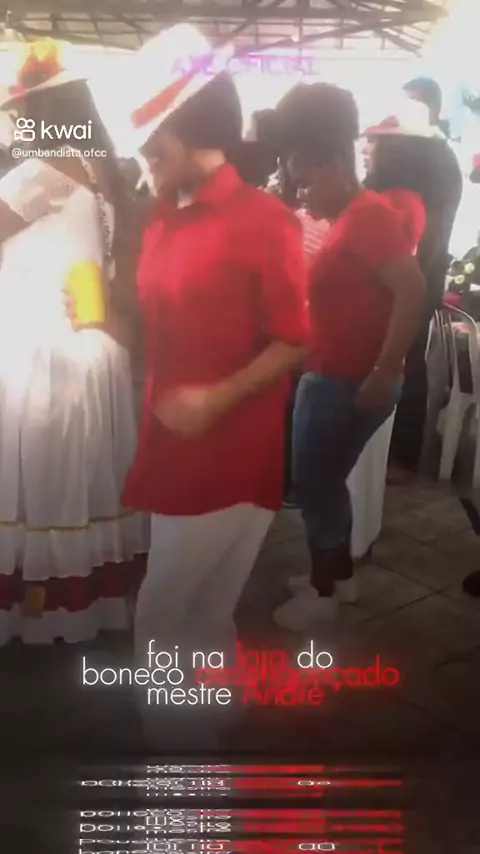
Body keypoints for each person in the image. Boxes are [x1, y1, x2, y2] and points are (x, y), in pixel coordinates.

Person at [121, 26, 308, 699]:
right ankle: (206, 725)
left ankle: (174, 742)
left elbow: (296, 339)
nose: (144, 151)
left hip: (228, 448)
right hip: (170, 437)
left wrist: (215, 399)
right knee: (201, 613)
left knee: (164, 612)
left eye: (154, 137)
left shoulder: (265, 220)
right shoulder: (160, 212)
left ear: (197, 128)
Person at [0, 39, 149, 644]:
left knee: (38, 482)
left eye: (19, 112)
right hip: (90, 345)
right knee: (75, 482)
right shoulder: (102, 170)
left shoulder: (45, 170)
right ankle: (75, 605)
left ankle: (35, 609)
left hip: (40, 349)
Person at [271, 83, 426, 630]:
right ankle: (338, 576)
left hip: (345, 379)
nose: (301, 194)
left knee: (314, 485)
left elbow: (412, 290)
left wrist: (385, 369)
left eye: (305, 181)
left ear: (332, 164)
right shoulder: (354, 216)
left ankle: (324, 591)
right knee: (326, 482)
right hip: (335, 374)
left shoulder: (367, 217)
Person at [366, 115, 462, 481]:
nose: (368, 151)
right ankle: (401, 457)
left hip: (397, 295)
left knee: (400, 363)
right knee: (412, 362)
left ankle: (394, 458)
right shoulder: (434, 190)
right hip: (424, 287)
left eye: (377, 145)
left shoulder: (401, 203)